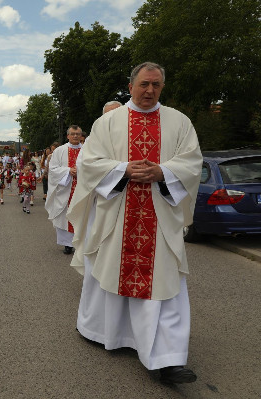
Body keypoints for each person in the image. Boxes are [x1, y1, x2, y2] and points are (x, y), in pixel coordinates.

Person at [67, 62, 202, 384]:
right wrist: (123, 170)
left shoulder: (179, 122)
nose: (150, 90)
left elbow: (192, 163)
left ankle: (167, 360)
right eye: (144, 84)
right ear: (130, 86)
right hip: (117, 214)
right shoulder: (108, 122)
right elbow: (89, 163)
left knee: (164, 284)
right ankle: (102, 331)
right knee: (110, 273)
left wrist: (164, 172)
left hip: (159, 217)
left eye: (156, 85)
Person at [45, 126, 83, 255]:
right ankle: (67, 244)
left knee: (82, 215)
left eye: (78, 134)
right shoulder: (60, 150)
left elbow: (94, 167)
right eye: (73, 134)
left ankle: (82, 243)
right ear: (67, 136)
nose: (75, 136)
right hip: (65, 189)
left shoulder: (87, 150)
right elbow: (53, 169)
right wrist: (68, 171)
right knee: (64, 216)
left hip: (82, 189)